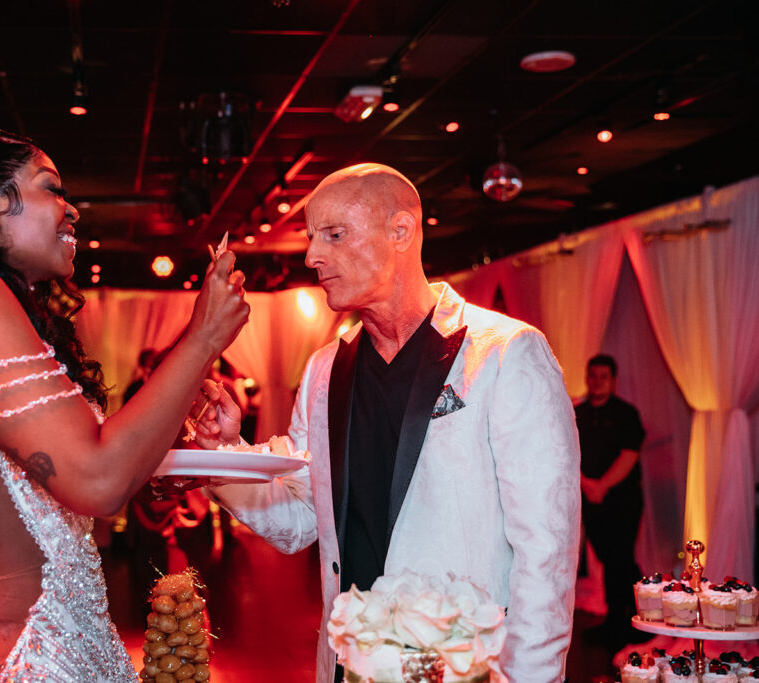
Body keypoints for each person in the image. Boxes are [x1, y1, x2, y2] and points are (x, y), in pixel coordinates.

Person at [0, 127, 249, 681]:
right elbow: (96, 480)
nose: (71, 210)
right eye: (50, 187)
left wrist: (154, 467)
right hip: (22, 654)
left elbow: (48, 476)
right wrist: (202, 338)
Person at [194, 163, 581, 682]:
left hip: (463, 668)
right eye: (311, 238)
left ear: (401, 232)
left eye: (334, 234)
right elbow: (302, 518)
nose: (312, 256)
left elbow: (546, 553)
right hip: (347, 666)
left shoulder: (506, 353)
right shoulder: (324, 369)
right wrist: (224, 455)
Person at [576, 354, 647, 646]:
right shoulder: (576, 413)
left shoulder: (626, 413)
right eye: (593, 375)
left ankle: (632, 618)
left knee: (622, 560)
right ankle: (617, 619)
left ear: (614, 380)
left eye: (603, 376)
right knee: (608, 559)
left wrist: (602, 486)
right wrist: (586, 484)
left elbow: (629, 454)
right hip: (591, 499)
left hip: (623, 500)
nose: (597, 381)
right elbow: (567, 452)